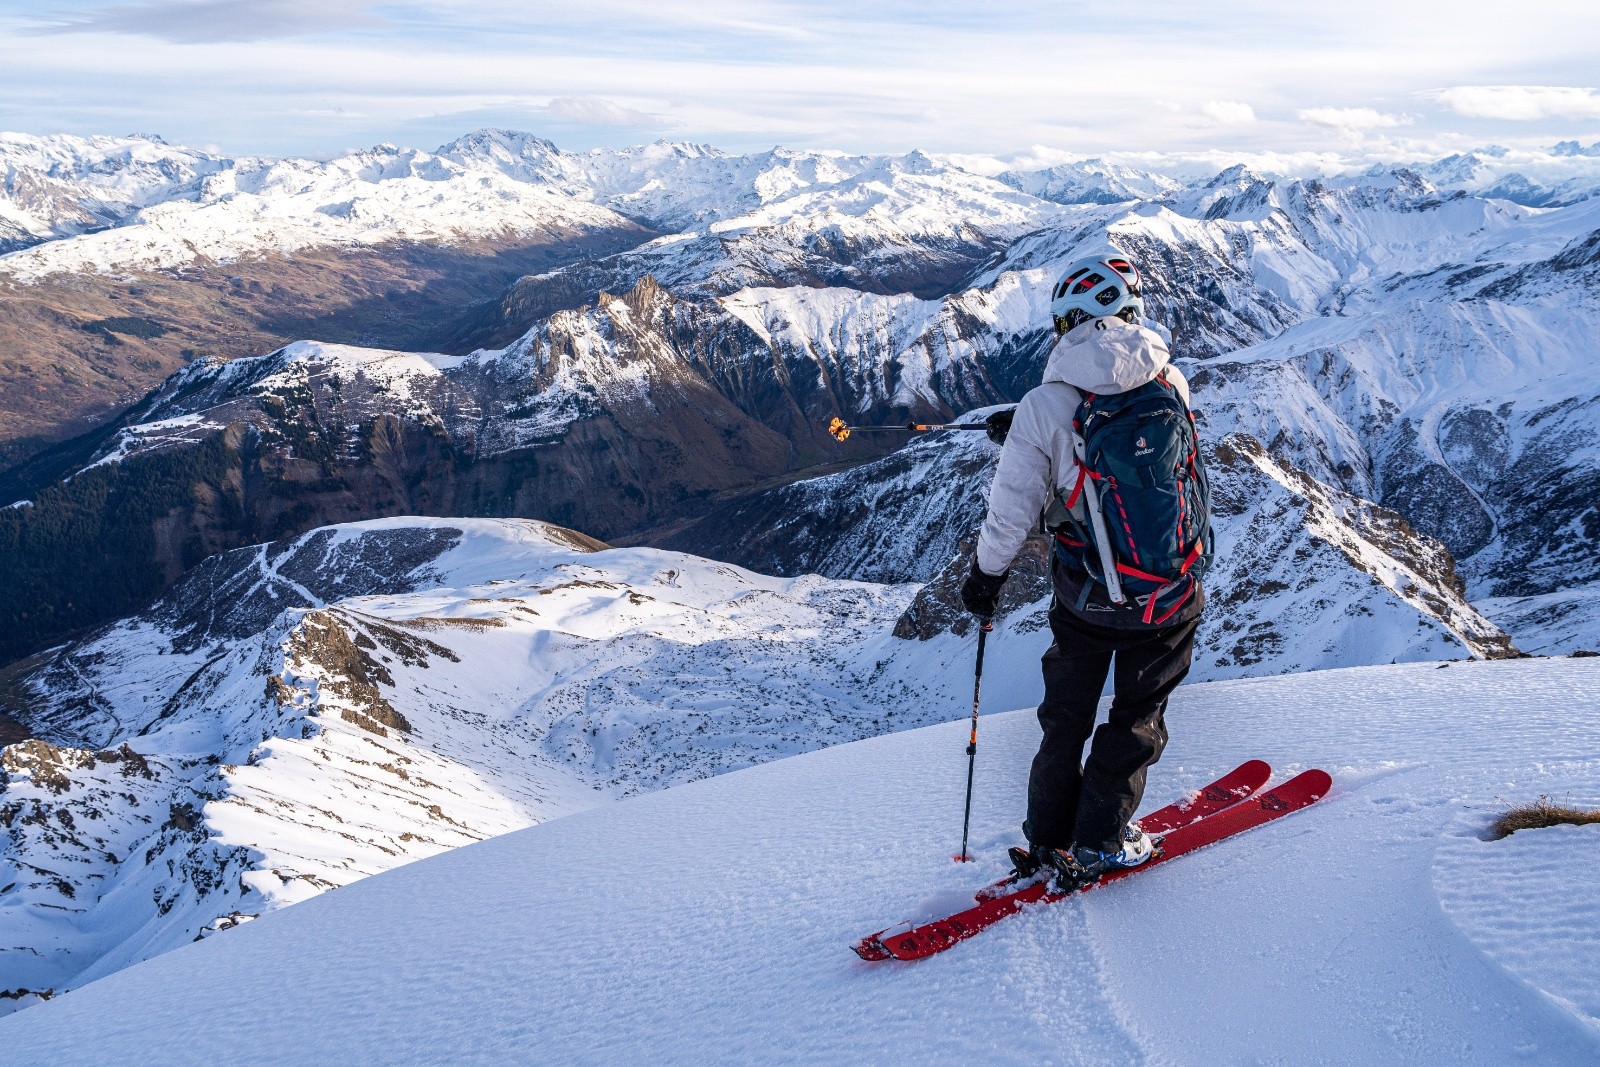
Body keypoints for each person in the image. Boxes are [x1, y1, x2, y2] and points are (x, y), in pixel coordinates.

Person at [959, 251, 1211, 888]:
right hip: (1168, 597)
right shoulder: (1171, 382)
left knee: (1065, 718)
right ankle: (1101, 838)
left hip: (1086, 597)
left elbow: (1014, 506)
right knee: (1135, 718)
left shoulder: (1044, 406)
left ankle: (1050, 839)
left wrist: (987, 579)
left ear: (1068, 322)